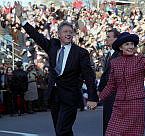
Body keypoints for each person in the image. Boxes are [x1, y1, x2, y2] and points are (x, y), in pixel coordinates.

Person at [14, 2, 98, 136]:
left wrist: (92, 98)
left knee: (62, 130)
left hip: (70, 96)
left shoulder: (81, 52)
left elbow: (89, 76)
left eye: (71, 32)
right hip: (54, 96)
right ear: (59, 34)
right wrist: (22, 19)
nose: (68, 34)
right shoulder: (52, 46)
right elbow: (36, 36)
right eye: (65, 31)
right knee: (61, 130)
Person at [99, 32, 145, 136]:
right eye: (127, 44)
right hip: (119, 105)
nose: (131, 47)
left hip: (135, 104)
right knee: (111, 133)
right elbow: (111, 85)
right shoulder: (114, 62)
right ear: (121, 47)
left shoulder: (140, 59)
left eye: (132, 44)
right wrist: (98, 98)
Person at [98, 28, 120, 135]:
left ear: (116, 39)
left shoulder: (119, 54)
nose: (106, 39)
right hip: (108, 94)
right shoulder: (109, 54)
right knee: (107, 122)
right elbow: (105, 74)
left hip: (115, 94)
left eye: (109, 37)